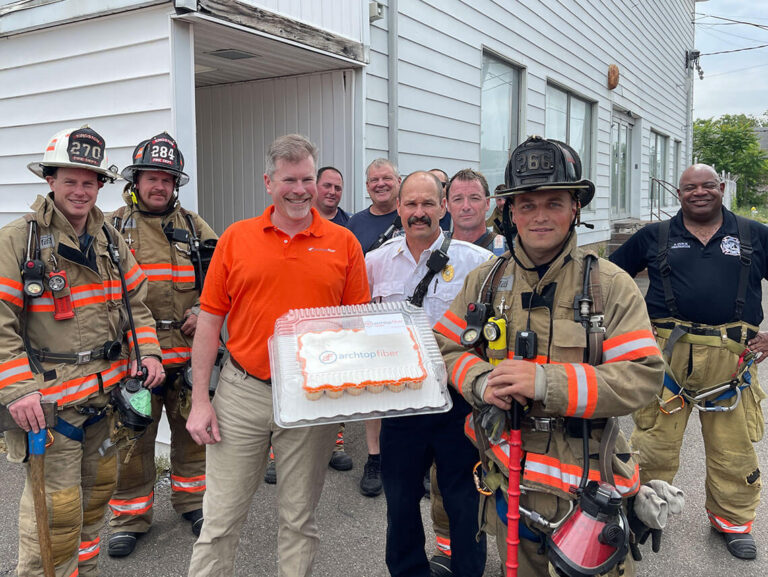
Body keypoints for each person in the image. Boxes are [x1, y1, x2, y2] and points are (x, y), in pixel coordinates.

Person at [433, 136, 664, 576]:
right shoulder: (485, 282)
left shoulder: (610, 285)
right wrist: (480, 380)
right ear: (510, 212)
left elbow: (642, 375)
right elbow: (444, 346)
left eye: (554, 203)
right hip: (509, 484)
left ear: (575, 208)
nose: (540, 216)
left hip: (588, 492)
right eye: (527, 204)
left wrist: (545, 383)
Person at [185, 134, 370, 577]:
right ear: (268, 181)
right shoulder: (236, 238)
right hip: (242, 392)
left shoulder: (343, 243)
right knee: (221, 518)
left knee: (299, 520)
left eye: (308, 178)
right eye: (290, 179)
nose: (300, 189)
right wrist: (200, 400)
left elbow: (358, 325)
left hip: (312, 397)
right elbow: (210, 322)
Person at [0, 126, 163, 577]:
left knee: (95, 503)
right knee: (56, 515)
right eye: (69, 180)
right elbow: (1, 326)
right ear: (50, 181)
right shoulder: (17, 241)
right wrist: (18, 392)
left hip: (105, 402)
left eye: (88, 182)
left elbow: (138, 309)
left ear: (100, 186)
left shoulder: (110, 239)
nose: (79, 190)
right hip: (51, 410)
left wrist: (146, 353)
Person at [610, 163, 768, 560]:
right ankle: (640, 512)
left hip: (732, 360)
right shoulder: (653, 236)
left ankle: (732, 522)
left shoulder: (753, 235)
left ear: (720, 189)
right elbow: (607, 280)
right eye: (689, 188)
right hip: (664, 357)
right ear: (678, 194)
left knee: (732, 447)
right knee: (653, 444)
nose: (699, 192)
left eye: (707, 185)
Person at [366, 170, 491, 577]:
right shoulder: (375, 263)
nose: (419, 213)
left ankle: (468, 572)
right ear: (398, 208)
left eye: (427, 204)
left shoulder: (479, 264)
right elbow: (357, 327)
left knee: (464, 501)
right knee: (400, 502)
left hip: (458, 403)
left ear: (443, 207)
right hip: (401, 405)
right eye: (411, 205)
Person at [106, 132, 218, 557]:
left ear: (176, 184)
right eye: (152, 178)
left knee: (193, 438)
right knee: (132, 444)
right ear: (135, 181)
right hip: (136, 362)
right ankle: (129, 518)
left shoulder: (194, 226)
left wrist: (203, 310)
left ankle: (193, 503)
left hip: (189, 359)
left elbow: (223, 279)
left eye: (167, 179)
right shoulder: (112, 227)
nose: (159, 186)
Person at [265, 165, 353, 484]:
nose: (331, 192)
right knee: (284, 393)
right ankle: (276, 454)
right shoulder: (290, 219)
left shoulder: (347, 227)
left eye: (337, 187)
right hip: (286, 334)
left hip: (327, 337)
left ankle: (334, 445)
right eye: (326, 185)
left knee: (329, 393)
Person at [347, 158, 402, 497]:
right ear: (367, 186)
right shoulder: (355, 223)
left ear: (398, 181)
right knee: (374, 393)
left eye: (386, 178)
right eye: (373, 180)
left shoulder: (413, 213)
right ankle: (375, 459)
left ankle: (418, 462)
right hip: (370, 316)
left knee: (410, 390)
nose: (380, 184)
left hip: (409, 317)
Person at [446, 168, 506, 255]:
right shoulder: (433, 250)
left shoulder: (509, 253)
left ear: (487, 203)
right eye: (458, 199)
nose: (466, 207)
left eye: (474, 198)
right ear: (447, 205)